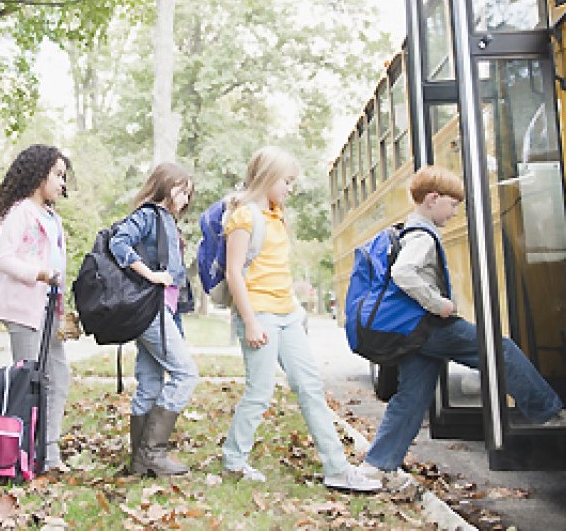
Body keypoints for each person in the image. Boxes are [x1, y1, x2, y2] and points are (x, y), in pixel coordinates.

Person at [359, 164, 566, 489]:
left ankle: (376, 467)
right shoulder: (422, 235)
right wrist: (437, 303)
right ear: (433, 199)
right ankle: (548, 412)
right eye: (453, 204)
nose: (455, 212)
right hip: (430, 326)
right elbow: (404, 273)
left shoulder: (411, 230)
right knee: (499, 349)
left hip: (414, 333)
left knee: (412, 397)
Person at [220, 146, 381, 491]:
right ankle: (233, 460)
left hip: (287, 314)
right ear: (267, 178)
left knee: (310, 388)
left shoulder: (278, 216)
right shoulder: (244, 216)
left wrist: (297, 309)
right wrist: (249, 321)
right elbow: (234, 273)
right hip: (259, 314)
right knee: (259, 392)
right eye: (287, 181)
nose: (290, 188)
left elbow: (279, 268)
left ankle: (336, 467)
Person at [109, 162, 199, 476]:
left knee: (149, 383)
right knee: (186, 374)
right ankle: (153, 454)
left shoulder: (166, 222)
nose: (185, 199)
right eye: (180, 190)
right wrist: (151, 275)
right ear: (163, 185)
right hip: (152, 311)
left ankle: (138, 462)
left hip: (165, 312)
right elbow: (117, 242)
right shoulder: (148, 215)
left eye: (188, 193)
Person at [0, 144, 70, 471]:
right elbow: (3, 259)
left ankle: (48, 453)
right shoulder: (20, 212)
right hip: (23, 308)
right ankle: (20, 451)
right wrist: (38, 274)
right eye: (57, 175)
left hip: (50, 308)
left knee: (58, 377)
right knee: (29, 381)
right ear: (38, 174)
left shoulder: (52, 217)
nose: (62, 183)